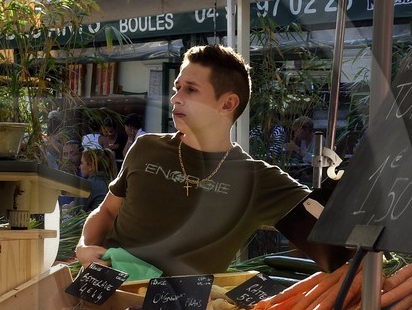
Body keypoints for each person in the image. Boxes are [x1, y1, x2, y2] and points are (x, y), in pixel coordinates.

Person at [76, 44, 342, 276]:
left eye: (191, 90)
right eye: (177, 88)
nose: (175, 98)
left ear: (227, 104)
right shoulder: (146, 147)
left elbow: (334, 237)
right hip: (104, 291)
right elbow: (107, 211)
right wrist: (84, 247)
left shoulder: (256, 180)